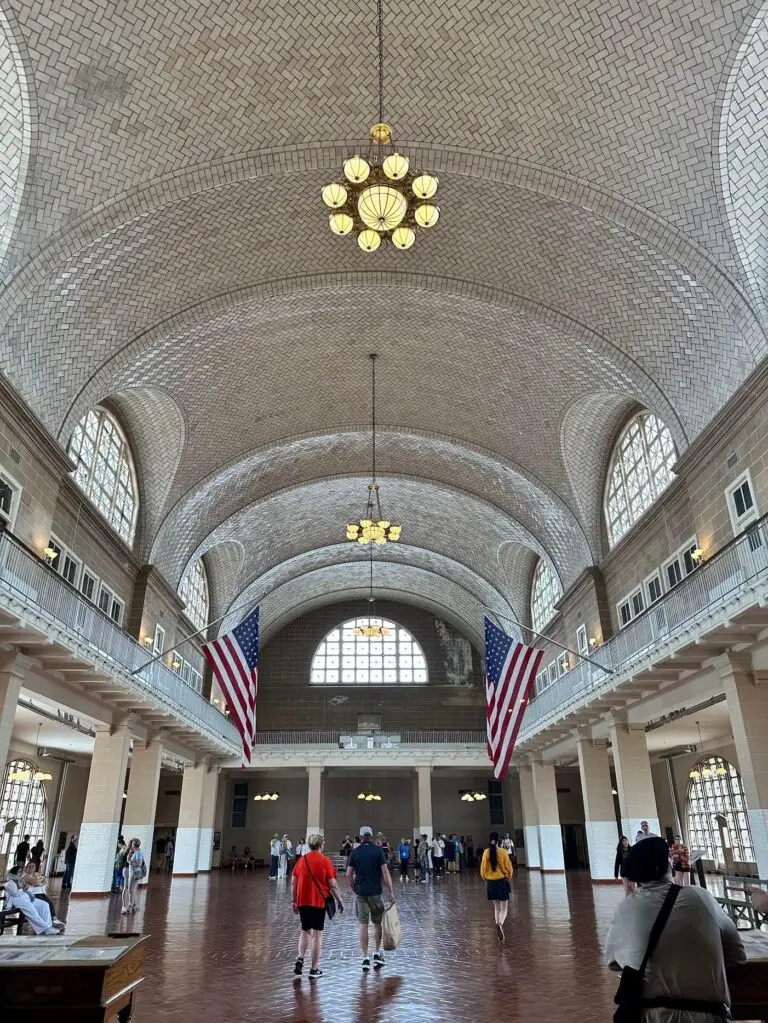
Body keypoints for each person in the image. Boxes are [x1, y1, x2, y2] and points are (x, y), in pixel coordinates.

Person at [604, 836, 746, 1022]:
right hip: (707, 1016)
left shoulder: (625, 909)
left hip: (652, 1017)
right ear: (668, 865)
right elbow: (737, 954)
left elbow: (613, 962)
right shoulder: (701, 897)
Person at [290, 832, 343, 979]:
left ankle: (300, 957)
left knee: (305, 930)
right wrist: (340, 900)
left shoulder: (301, 861)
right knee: (317, 934)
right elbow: (332, 884)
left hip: (302, 901)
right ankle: (314, 969)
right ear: (321, 844)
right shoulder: (325, 861)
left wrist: (294, 901)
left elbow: (293, 883)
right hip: (319, 902)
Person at [346, 825, 396, 972]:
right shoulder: (378, 851)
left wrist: (354, 888)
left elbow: (348, 874)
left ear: (361, 837)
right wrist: (391, 891)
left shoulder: (355, 852)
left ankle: (365, 957)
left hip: (361, 893)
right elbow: (385, 873)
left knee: (363, 923)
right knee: (377, 922)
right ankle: (377, 952)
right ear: (371, 836)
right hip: (376, 892)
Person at [480, 831, 513, 941]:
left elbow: (483, 869)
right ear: (499, 840)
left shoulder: (486, 852)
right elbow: (509, 868)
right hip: (501, 881)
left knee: (496, 908)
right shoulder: (503, 852)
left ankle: (497, 926)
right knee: (504, 908)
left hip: (490, 882)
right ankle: (500, 924)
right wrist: (508, 877)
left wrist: (485, 879)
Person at [20, 861, 65, 930]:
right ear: (26, 867)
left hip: (40, 892)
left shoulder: (35, 874)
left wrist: (39, 882)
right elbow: (35, 882)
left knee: (50, 902)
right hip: (32, 894)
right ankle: (48, 923)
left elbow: (45, 881)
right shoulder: (25, 875)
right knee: (45, 904)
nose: (31, 868)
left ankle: (54, 919)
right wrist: (39, 881)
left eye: (33, 866)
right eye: (30, 866)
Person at [121, 838, 146, 915]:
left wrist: (130, 862)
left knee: (129, 889)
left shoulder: (135, 852)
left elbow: (138, 862)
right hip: (129, 870)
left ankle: (128, 906)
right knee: (130, 889)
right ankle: (129, 906)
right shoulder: (130, 851)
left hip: (132, 871)